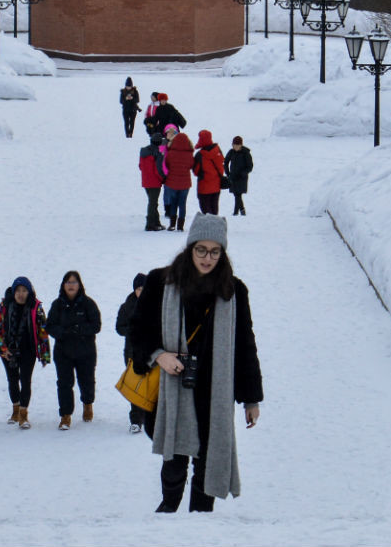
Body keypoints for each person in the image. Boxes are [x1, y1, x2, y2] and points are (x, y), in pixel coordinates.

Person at [127, 216, 263, 513]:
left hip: (214, 389)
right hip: (172, 386)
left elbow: (244, 344)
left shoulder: (233, 291)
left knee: (208, 458)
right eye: (201, 249)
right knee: (174, 461)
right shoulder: (161, 282)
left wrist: (251, 397)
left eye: (215, 251)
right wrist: (159, 355)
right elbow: (137, 330)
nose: (207, 258)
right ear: (190, 248)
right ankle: (168, 516)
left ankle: (201, 521)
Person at [0, 275, 51, 429]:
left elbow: (43, 332)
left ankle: (23, 414)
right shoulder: (5, 306)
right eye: (18, 290)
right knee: (12, 380)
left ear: (29, 292)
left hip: (28, 351)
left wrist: (44, 354)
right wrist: (3, 349)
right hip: (8, 351)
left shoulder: (36, 308)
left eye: (24, 290)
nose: (21, 294)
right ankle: (15, 409)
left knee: (25, 381)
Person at [46, 270, 103, 430]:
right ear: (63, 285)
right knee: (64, 383)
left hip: (86, 351)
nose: (71, 285)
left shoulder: (88, 303)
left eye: (74, 282)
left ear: (80, 285)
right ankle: (65, 415)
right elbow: (49, 325)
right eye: (68, 282)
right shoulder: (57, 305)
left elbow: (96, 325)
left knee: (87, 381)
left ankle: (87, 403)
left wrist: (79, 329)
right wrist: (62, 333)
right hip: (63, 351)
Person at [115, 272, 153, 434]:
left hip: (153, 351)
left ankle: (151, 418)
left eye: (144, 288)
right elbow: (119, 328)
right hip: (132, 351)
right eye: (138, 288)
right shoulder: (127, 306)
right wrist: (133, 330)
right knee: (135, 385)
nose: (141, 291)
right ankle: (136, 419)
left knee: (152, 385)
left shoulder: (156, 304)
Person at [163, 127, 195, 232]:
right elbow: (191, 165)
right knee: (182, 204)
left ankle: (172, 224)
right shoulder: (190, 154)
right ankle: (180, 226)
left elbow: (166, 164)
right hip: (185, 183)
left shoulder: (171, 153)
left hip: (172, 182)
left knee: (173, 203)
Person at [193, 130, 225, 216]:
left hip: (204, 188)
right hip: (216, 186)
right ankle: (216, 227)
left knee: (206, 211)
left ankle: (210, 228)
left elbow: (196, 172)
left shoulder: (200, 155)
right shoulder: (218, 150)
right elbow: (222, 164)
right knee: (214, 210)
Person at [139, 133, 167, 233]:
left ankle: (156, 222)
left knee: (152, 202)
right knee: (153, 203)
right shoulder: (158, 153)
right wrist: (163, 178)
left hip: (146, 181)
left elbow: (140, 166)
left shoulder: (144, 152)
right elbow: (158, 170)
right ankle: (150, 224)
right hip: (155, 182)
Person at [224, 137, 253, 217]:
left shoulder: (246, 153)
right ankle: (238, 211)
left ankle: (239, 211)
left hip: (241, 178)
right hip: (233, 177)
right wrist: (228, 173)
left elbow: (250, 166)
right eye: (234, 145)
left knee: (238, 194)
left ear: (241, 145)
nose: (235, 147)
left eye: (237, 145)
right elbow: (225, 162)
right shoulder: (231, 152)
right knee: (236, 194)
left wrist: (243, 173)